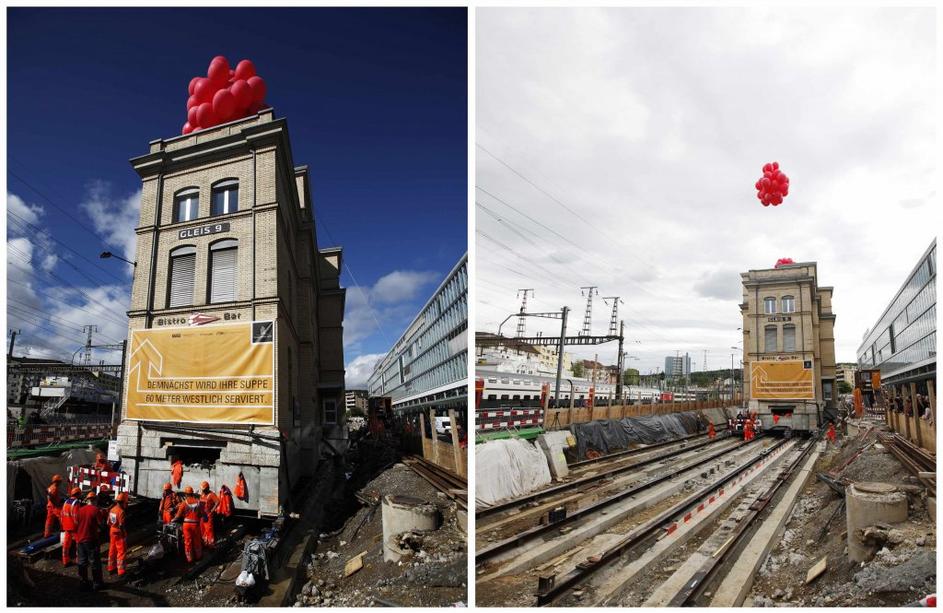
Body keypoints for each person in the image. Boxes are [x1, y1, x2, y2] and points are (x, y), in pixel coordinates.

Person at [75, 491, 105, 591]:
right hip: (91, 540)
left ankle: (83, 582)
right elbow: (101, 525)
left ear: (88, 500)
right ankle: (97, 584)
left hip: (80, 540)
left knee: (82, 562)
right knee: (95, 562)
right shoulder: (96, 510)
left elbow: (76, 523)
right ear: (95, 500)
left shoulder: (80, 510)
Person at [173, 486, 204, 563]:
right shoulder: (198, 502)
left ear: (186, 494)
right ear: (192, 493)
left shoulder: (184, 503)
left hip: (186, 525)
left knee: (187, 542)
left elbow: (178, 515)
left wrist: (173, 520)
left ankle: (189, 559)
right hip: (195, 524)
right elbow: (201, 514)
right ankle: (198, 556)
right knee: (197, 540)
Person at [60, 487, 83, 567]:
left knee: (66, 544)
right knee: (78, 543)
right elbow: (75, 516)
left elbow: (62, 514)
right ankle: (79, 560)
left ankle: (65, 560)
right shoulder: (76, 503)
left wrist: (62, 524)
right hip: (74, 527)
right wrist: (79, 526)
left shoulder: (66, 501)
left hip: (66, 526)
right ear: (77, 494)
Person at [107, 492, 129, 576]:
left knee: (112, 550)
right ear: (123, 502)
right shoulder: (121, 512)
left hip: (112, 531)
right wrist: (124, 534)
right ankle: (121, 571)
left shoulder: (112, 509)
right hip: (119, 533)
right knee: (121, 552)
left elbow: (108, 522)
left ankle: (111, 568)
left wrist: (113, 527)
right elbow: (121, 525)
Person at [199, 481, 219, 548]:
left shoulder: (212, 494)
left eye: (204, 490)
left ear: (207, 488)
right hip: (202, 514)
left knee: (209, 530)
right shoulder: (202, 494)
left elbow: (217, 502)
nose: (203, 491)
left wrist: (212, 511)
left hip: (208, 514)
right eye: (202, 490)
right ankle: (204, 543)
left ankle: (211, 545)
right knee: (202, 529)